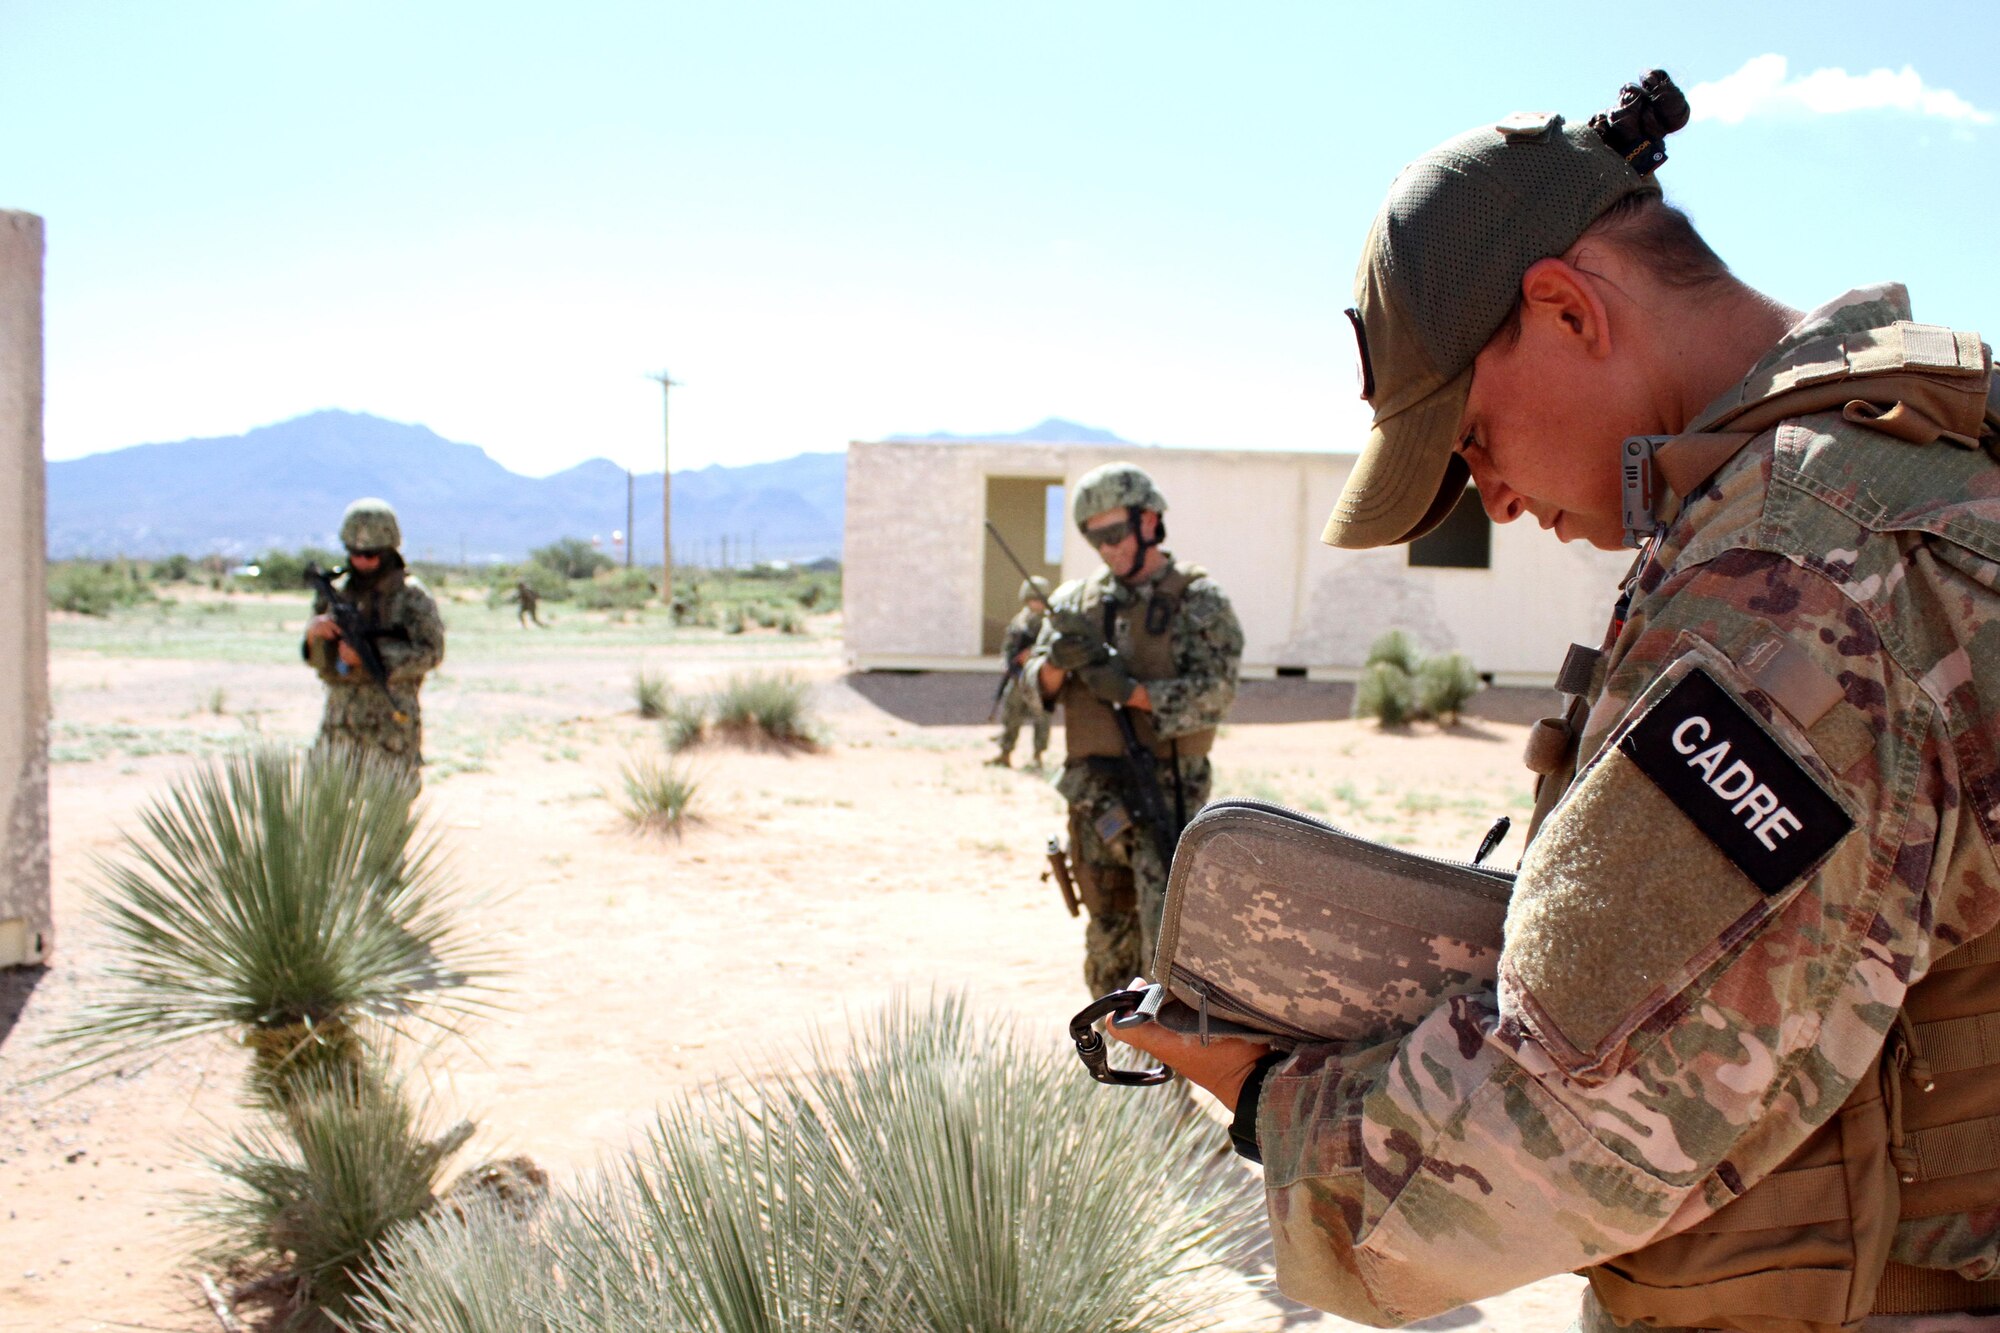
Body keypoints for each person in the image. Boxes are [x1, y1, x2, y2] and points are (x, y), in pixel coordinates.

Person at [1115, 72, 2000, 1332]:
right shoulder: (1909, 469)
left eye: (1470, 442)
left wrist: (1272, 1103)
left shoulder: (1792, 576)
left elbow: (1582, 1110)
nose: (1497, 499)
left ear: (1564, 307)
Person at [1025, 462, 1243, 998]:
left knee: (1167, 948)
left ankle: (1168, 1071)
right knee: (1107, 937)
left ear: (1149, 522)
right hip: (1095, 801)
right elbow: (1032, 693)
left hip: (1165, 797)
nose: (1106, 549)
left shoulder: (1198, 601)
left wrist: (1132, 693)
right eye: (1093, 538)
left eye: (1115, 534)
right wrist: (1054, 661)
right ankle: (1110, 1062)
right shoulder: (1076, 603)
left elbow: (1216, 692)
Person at [303, 498, 446, 777]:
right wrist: (314, 634)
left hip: (390, 724)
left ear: (389, 550)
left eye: (372, 554)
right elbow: (316, 660)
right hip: (340, 724)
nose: (363, 561)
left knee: (388, 813)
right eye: (356, 553)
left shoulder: (411, 596)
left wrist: (375, 657)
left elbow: (432, 651)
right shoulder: (334, 592)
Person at [988, 576, 1051, 768]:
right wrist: (1008, 662)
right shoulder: (1020, 619)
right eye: (1032, 599)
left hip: (1038, 676)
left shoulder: (1049, 621)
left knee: (1041, 715)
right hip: (1017, 675)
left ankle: (1038, 755)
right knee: (1011, 712)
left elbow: (1052, 646)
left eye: (1039, 599)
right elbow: (1009, 644)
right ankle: (1005, 752)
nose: (1036, 603)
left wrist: (1031, 654)